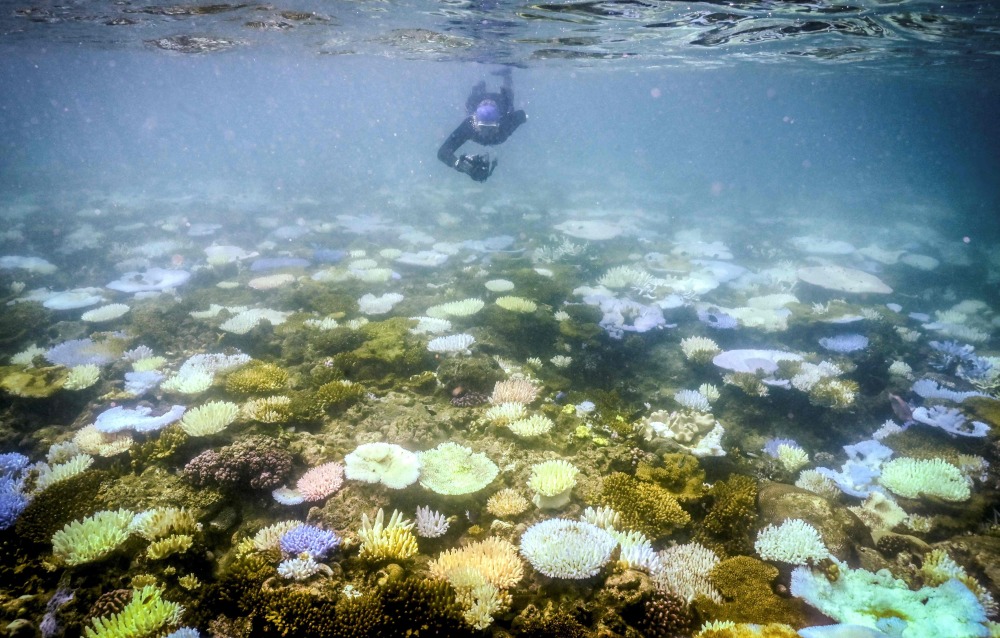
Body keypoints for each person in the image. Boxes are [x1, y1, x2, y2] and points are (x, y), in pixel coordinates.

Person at [437, 68, 527, 182]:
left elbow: (522, 115)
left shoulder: (504, 124)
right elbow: (442, 153)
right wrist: (461, 165)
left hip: (500, 104)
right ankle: (479, 78)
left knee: (508, 103)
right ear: (475, 123)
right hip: (480, 103)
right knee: (474, 103)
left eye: (490, 129)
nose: (487, 135)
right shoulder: (469, 126)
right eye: (484, 128)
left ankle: (504, 75)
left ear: (498, 124)